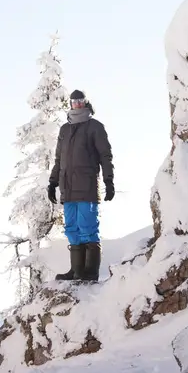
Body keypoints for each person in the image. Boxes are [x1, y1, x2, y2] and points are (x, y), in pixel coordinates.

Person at [47, 90, 115, 282]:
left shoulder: (95, 127)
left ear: (85, 103)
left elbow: (105, 156)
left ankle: (90, 273)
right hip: (67, 188)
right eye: (74, 101)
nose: (77, 104)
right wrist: (52, 183)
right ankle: (76, 270)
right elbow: (59, 159)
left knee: (87, 228)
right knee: (71, 229)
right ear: (70, 104)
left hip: (86, 186)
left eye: (80, 101)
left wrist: (108, 181)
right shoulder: (64, 130)